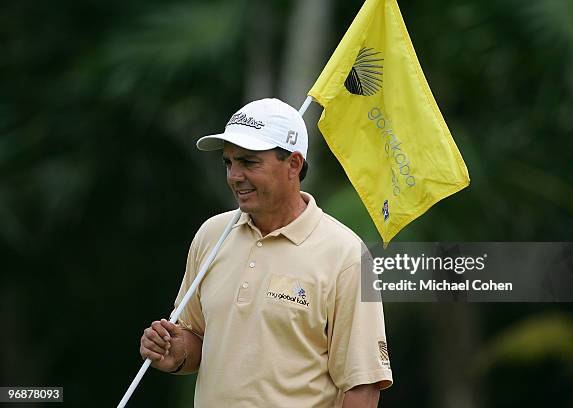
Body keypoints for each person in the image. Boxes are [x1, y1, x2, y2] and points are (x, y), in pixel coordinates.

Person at [139, 98, 393, 407]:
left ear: (294, 165)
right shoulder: (212, 236)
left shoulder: (346, 253)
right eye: (228, 162)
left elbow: (362, 384)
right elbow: (197, 340)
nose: (234, 175)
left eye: (249, 162)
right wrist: (174, 351)